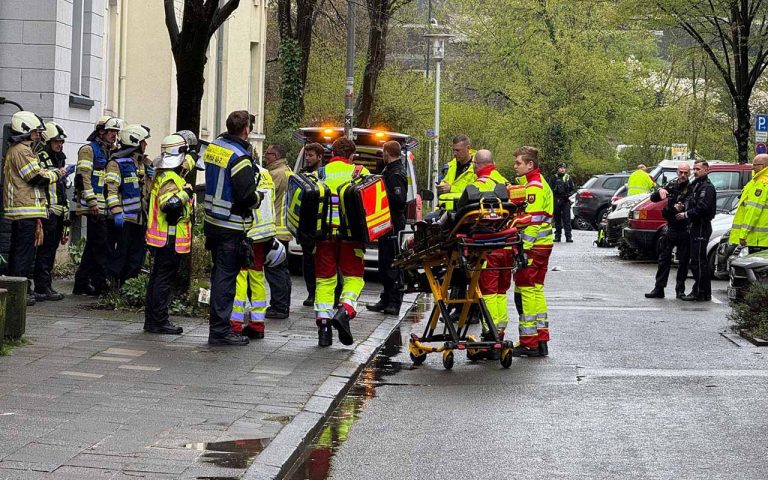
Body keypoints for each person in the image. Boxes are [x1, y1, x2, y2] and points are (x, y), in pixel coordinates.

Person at [3, 111, 73, 306]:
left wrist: (51, 173)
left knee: (22, 251)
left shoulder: (22, 150)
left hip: (26, 209)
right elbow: (35, 177)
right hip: (24, 208)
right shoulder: (22, 151)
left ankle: (20, 289)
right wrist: (57, 174)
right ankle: (20, 291)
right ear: (25, 130)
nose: (37, 135)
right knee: (23, 253)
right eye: (35, 131)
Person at [203, 110, 261, 346]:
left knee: (219, 275)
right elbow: (246, 195)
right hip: (231, 225)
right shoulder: (240, 157)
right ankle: (220, 331)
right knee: (225, 280)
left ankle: (218, 328)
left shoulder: (216, 146)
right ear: (246, 129)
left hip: (213, 222)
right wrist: (258, 198)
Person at [314, 137, 370, 347]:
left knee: (325, 280)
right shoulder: (360, 173)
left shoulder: (320, 173)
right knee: (354, 278)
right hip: (351, 237)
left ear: (332, 153)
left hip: (325, 236)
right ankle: (345, 310)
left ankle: (324, 329)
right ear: (351, 156)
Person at [144, 134, 196, 335]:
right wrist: (186, 194)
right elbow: (169, 205)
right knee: (163, 281)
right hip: (170, 238)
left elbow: (188, 162)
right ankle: (159, 321)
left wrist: (191, 153)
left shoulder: (164, 174)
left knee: (157, 278)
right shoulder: (172, 179)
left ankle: (153, 320)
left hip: (162, 238)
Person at [73, 116, 123, 296]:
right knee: (100, 245)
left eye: (116, 133)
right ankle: (100, 283)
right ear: (101, 132)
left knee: (94, 245)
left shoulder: (111, 151)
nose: (114, 136)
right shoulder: (89, 150)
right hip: (93, 205)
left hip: (104, 207)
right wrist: (92, 201)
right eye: (111, 132)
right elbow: (83, 177)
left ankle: (81, 283)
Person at [511, 146, 554, 357]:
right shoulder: (538, 184)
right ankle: (541, 338)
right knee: (536, 290)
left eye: (518, 163)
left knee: (526, 291)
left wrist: (523, 250)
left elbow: (534, 222)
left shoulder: (534, 187)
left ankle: (529, 342)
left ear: (530, 165)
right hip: (542, 246)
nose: (515, 166)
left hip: (533, 248)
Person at [471, 150, 512, 356]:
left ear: (477, 165)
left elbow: (467, 214)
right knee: (500, 293)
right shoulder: (504, 183)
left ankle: (490, 336)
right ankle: (499, 333)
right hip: (506, 246)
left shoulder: (477, 186)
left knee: (487, 293)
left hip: (487, 248)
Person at [231, 158, 277, 340]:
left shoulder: (245, 173)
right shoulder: (265, 173)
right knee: (257, 276)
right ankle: (257, 324)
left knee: (240, 276)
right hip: (265, 232)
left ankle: (235, 324)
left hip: (248, 232)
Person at [105, 124, 152, 288]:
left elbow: (145, 191)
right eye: (143, 141)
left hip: (139, 219)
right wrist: (117, 212)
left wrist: (151, 177)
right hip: (124, 220)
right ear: (135, 141)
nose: (145, 145)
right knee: (120, 255)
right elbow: (111, 190)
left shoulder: (142, 163)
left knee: (136, 256)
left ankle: (128, 286)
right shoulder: (116, 163)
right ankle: (113, 287)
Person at [368, 140, 408, 315]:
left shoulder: (396, 173)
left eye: (383, 152)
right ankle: (385, 299)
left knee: (392, 263)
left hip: (393, 222)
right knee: (384, 263)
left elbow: (399, 200)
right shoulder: (389, 170)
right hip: (386, 221)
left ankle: (394, 302)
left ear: (387, 153)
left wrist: (381, 195)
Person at [33, 122, 70, 302]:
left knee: (52, 249)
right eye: (56, 141)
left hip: (58, 210)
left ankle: (46, 285)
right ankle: (41, 286)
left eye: (61, 142)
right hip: (48, 211)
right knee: (45, 250)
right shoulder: (41, 157)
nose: (60, 144)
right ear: (48, 141)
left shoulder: (58, 157)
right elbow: (40, 180)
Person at [645, 163, 691, 299]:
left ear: (689, 173)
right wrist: (659, 192)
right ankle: (659, 288)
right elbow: (653, 198)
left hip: (685, 228)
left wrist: (683, 207)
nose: (683, 175)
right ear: (677, 172)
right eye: (681, 172)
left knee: (683, 261)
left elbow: (693, 203)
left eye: (686, 173)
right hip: (671, 227)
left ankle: (680, 290)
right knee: (663, 259)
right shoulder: (672, 185)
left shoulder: (691, 187)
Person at [677, 160, 717, 301]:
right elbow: (690, 201)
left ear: (706, 170)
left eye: (698, 169)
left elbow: (702, 208)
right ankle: (704, 292)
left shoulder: (707, 187)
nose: (695, 171)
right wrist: (683, 206)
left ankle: (700, 292)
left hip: (701, 226)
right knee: (698, 260)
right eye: (694, 169)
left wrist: (686, 214)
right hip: (695, 225)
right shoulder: (696, 185)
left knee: (698, 261)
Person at [264, 143, 293, 319]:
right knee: (282, 270)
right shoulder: (288, 171)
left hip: (275, 228)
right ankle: (282, 305)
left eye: (267, 154)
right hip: (285, 229)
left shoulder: (275, 174)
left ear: (275, 155)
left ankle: (279, 307)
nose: (265, 156)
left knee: (274, 271)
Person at [299, 142, 325, 307]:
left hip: (321, 226)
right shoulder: (302, 175)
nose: (307, 159)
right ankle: (311, 293)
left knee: (323, 262)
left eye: (311, 156)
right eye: (306, 155)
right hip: (306, 226)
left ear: (319, 157)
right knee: (308, 262)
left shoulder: (324, 175)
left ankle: (324, 293)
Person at [729, 154, 768, 253]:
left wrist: (743, 234)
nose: (752, 167)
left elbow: (753, 211)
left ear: (763, 166)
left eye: (755, 165)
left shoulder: (761, 184)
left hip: (758, 240)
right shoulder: (757, 181)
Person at [436, 134, 477, 211]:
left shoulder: (477, 166)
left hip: (467, 211)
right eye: (453, 150)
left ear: (468, 148)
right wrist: (441, 187)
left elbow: (476, 191)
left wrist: (451, 188)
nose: (454, 154)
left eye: (458, 150)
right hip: (447, 210)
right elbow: (445, 181)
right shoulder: (451, 165)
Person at [548, 162, 575, 242]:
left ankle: (568, 237)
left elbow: (573, 189)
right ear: (558, 168)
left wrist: (569, 194)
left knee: (567, 219)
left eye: (564, 168)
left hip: (565, 200)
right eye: (561, 168)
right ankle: (557, 236)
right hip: (556, 200)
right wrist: (554, 191)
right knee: (557, 219)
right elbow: (549, 190)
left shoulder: (568, 177)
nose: (562, 169)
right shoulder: (553, 178)